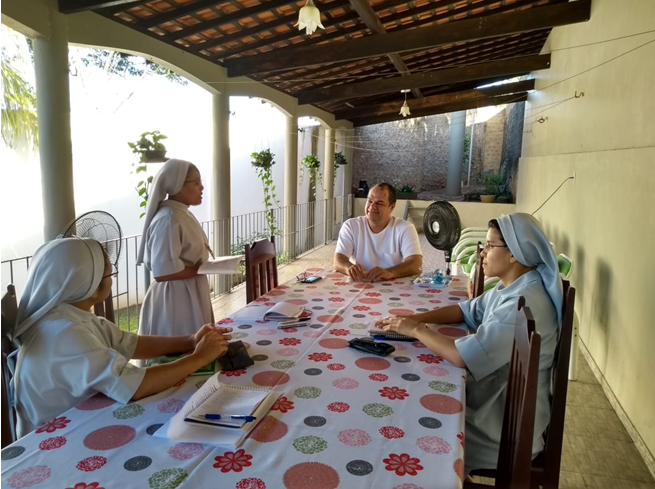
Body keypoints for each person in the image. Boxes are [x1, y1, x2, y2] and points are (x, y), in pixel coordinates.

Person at [376, 213, 563, 475]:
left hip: (504, 428)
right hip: (498, 404)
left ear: (514, 253)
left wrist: (416, 330)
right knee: (414, 391)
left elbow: (461, 356)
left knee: (408, 425)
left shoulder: (522, 301)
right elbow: (465, 310)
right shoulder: (513, 286)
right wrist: (412, 318)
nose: (482, 253)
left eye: (489, 246)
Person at [8, 237, 232, 438]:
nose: (112, 278)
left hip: (82, 421)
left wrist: (191, 341)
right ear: (92, 285)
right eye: (108, 272)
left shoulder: (69, 315)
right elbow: (136, 387)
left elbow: (130, 343)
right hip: (56, 440)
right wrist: (199, 358)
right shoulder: (65, 332)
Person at [137, 159, 213, 337]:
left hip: (188, 292)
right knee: (180, 350)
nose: (201, 188)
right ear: (177, 185)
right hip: (175, 299)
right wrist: (202, 268)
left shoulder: (180, 213)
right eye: (196, 182)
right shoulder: (168, 219)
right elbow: (164, 272)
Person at [334, 183, 422, 282]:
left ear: (391, 207)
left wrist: (390, 272)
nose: (372, 206)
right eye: (370, 201)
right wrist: (348, 268)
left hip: (393, 287)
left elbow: (416, 264)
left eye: (379, 203)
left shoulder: (405, 228)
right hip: (360, 283)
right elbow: (339, 259)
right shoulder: (351, 226)